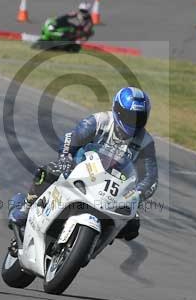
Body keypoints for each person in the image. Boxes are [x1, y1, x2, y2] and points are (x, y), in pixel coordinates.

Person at [10, 86, 157, 241]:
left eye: (139, 117)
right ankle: (26, 207)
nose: (133, 122)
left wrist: (137, 194)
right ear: (118, 111)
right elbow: (71, 140)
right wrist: (66, 158)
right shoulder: (99, 121)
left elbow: (150, 177)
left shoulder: (145, 141)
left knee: (132, 227)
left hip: (114, 188)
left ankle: (92, 243)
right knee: (49, 172)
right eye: (129, 116)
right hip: (82, 169)